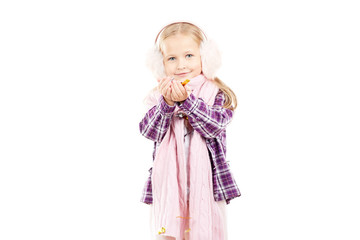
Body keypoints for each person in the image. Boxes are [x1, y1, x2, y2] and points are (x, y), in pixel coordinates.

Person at [139, 22, 241, 240]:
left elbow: (214, 126)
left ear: (205, 57)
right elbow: (149, 131)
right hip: (169, 186)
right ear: (161, 64)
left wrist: (186, 101)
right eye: (172, 58)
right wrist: (166, 104)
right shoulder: (158, 96)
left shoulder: (216, 93)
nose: (181, 65)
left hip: (206, 186)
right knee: (170, 232)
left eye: (189, 56)